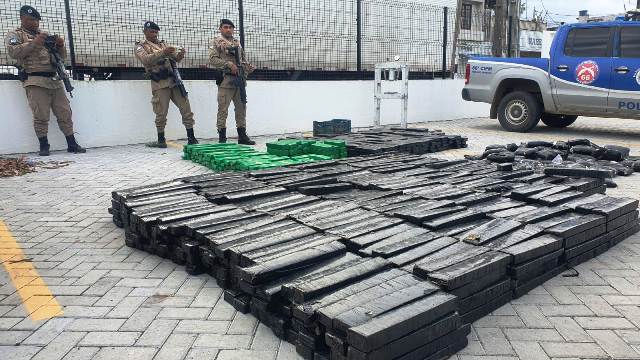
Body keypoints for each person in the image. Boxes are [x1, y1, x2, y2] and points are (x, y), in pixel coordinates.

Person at [5, 5, 85, 156]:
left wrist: (60, 45)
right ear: (22, 18)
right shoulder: (15, 35)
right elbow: (14, 52)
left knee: (65, 112)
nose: (35, 23)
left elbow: (61, 57)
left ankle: (72, 144)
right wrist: (34, 43)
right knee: (40, 115)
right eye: (30, 19)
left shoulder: (44, 35)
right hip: (35, 81)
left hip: (54, 79)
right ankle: (44, 146)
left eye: (36, 20)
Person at [135, 21, 198, 148]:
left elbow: (174, 58)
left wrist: (180, 54)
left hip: (174, 80)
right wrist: (163, 52)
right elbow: (146, 60)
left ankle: (191, 137)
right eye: (151, 32)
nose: (154, 34)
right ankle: (161, 140)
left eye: (155, 32)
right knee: (161, 112)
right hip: (160, 83)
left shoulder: (163, 44)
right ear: (145, 32)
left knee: (186, 108)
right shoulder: (140, 46)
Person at [209, 19, 256, 145]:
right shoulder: (216, 42)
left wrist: (248, 67)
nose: (228, 29)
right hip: (226, 81)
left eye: (230, 27)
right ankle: (222, 138)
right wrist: (228, 64)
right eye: (225, 27)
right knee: (223, 109)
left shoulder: (237, 43)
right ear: (220, 29)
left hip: (239, 80)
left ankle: (242, 136)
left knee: (241, 109)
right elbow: (212, 60)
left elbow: (242, 60)